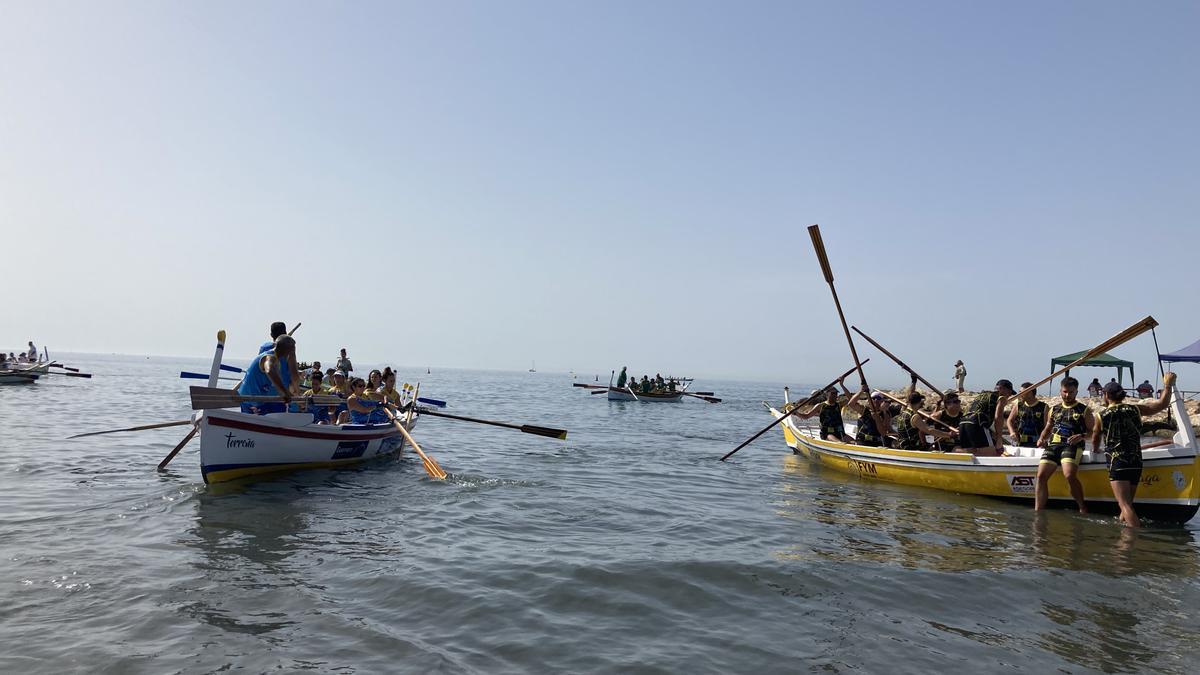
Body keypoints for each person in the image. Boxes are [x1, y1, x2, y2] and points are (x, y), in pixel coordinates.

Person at [1093, 372, 1176, 527]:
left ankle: (1134, 538)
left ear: (1106, 395)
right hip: (1136, 460)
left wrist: (1095, 450)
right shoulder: (1136, 409)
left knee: (1124, 505)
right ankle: (1123, 533)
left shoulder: (1101, 415)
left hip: (1118, 461)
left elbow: (1096, 437)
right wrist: (1168, 385)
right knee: (1128, 504)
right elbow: (1162, 404)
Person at [1034, 376, 1093, 513]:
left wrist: (1082, 436)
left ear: (1076, 392)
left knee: (1069, 475)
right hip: (1053, 445)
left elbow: (1093, 432)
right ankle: (1038, 510)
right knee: (1041, 476)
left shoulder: (1084, 410)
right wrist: (1041, 438)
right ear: (1061, 391)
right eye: (1065, 392)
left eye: (1071, 392)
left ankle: (1082, 507)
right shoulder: (1054, 409)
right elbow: (1048, 428)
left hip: (1072, 446)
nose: (1067, 395)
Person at [893, 375, 957, 451]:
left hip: (902, 446)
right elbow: (929, 430)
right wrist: (949, 435)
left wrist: (913, 382)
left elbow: (910, 395)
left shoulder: (903, 411)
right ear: (920, 402)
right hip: (912, 448)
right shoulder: (915, 417)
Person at [236, 335, 297, 415]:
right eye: (292, 351)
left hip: (257, 399)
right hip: (250, 399)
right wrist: (285, 392)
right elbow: (269, 370)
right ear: (287, 350)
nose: (292, 354)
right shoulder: (269, 357)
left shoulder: (276, 359)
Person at [958, 379, 1015, 456]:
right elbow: (998, 417)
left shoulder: (982, 395)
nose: (1009, 396)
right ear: (1003, 389)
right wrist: (999, 440)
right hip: (977, 422)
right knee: (990, 453)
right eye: (1010, 393)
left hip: (963, 422)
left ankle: (954, 451)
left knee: (971, 452)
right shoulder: (1001, 397)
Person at [1006, 382, 1049, 448]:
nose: (1019, 395)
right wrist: (1012, 432)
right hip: (1021, 442)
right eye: (1019, 392)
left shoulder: (1044, 407)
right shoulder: (1018, 405)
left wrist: (1044, 439)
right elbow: (1009, 420)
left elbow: (1047, 426)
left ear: (1030, 393)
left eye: (1021, 393)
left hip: (1037, 442)